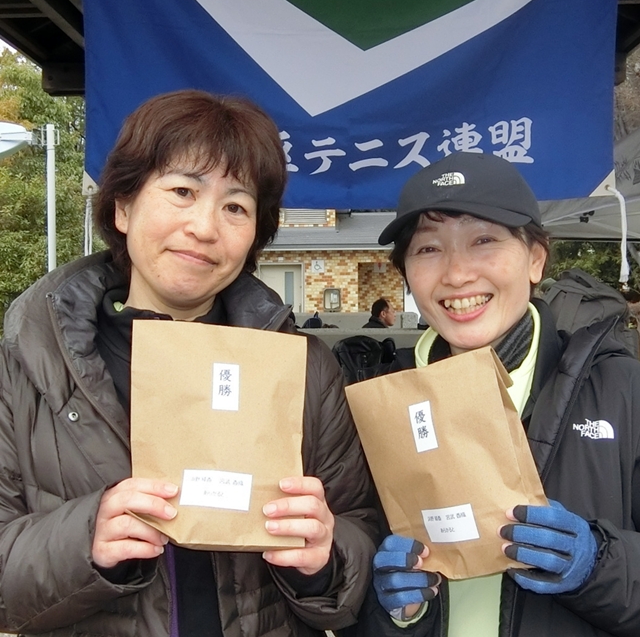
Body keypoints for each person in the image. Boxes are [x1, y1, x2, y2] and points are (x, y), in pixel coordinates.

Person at [0, 90, 377, 637]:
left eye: (236, 207)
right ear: (123, 207)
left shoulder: (301, 367)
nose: (205, 227)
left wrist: (325, 557)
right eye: (182, 191)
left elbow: (360, 529)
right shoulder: (29, 364)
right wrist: (84, 540)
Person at [353, 151, 640, 637]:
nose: (457, 273)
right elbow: (343, 592)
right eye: (428, 248)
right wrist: (391, 612)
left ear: (535, 258)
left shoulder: (621, 390)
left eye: (484, 240)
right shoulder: (376, 406)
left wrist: (599, 565)